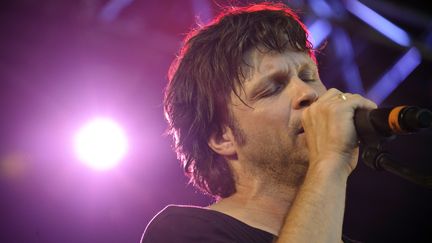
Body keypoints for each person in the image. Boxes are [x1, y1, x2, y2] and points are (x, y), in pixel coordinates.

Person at [141, 2, 376, 243]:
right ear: (222, 137)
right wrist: (330, 161)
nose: (308, 93)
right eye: (272, 89)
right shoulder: (181, 233)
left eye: (308, 77)